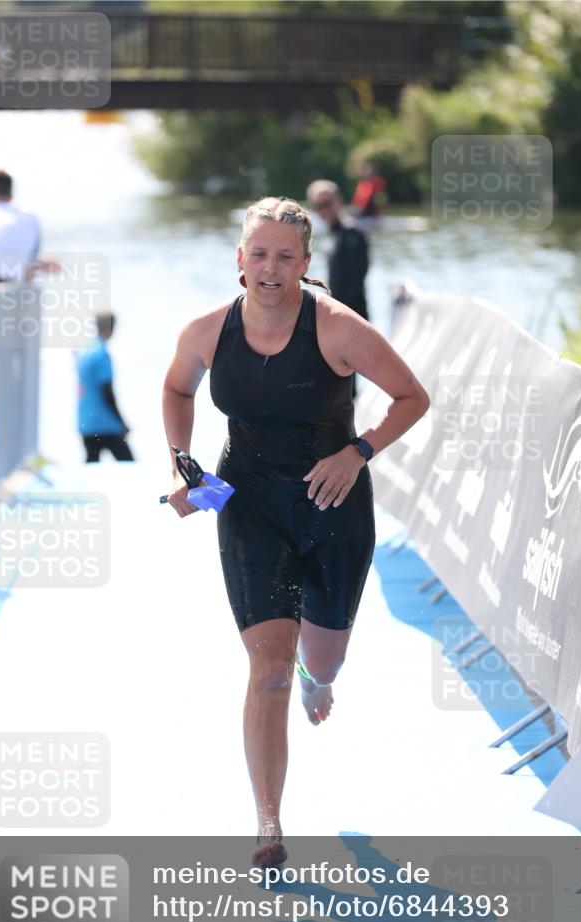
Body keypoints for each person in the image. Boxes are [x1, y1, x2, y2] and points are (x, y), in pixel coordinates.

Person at [162, 196, 429, 867]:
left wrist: (357, 451)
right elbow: (176, 389)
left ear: (306, 264)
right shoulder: (205, 330)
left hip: (332, 503)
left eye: (285, 256)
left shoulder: (338, 328)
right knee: (269, 668)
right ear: (239, 261)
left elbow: (411, 396)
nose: (271, 267)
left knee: (319, 659)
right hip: (245, 499)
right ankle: (268, 822)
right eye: (259, 254)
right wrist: (186, 469)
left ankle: (322, 679)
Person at [306, 179, 370, 321]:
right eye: (318, 206)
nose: (323, 209)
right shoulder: (334, 232)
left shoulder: (351, 234)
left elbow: (355, 282)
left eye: (327, 203)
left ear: (338, 200)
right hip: (339, 315)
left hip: (352, 318)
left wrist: (336, 315)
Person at [76, 311, 134, 463]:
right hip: (106, 423)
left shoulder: (85, 350)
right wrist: (121, 421)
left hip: (86, 422)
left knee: (91, 467)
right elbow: (107, 391)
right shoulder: (102, 354)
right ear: (111, 328)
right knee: (129, 465)